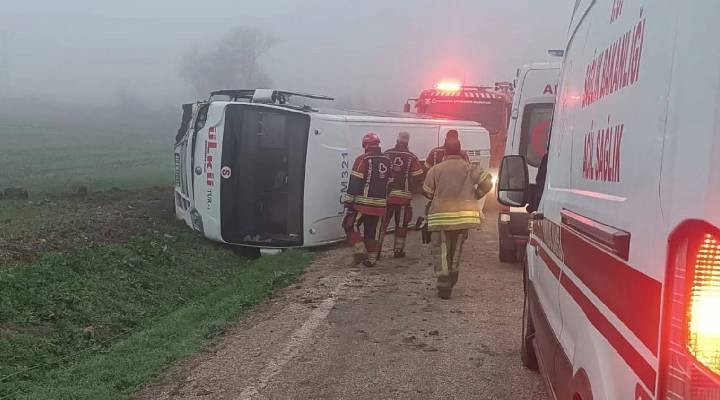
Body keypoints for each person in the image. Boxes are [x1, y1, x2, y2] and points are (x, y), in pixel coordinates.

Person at [422, 135, 493, 299]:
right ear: (460, 151)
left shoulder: (436, 170)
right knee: (456, 250)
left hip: (440, 218)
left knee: (441, 250)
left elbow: (427, 191)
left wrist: (437, 195)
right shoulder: (470, 168)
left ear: (445, 151)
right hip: (463, 218)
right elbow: (488, 182)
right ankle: (453, 277)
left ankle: (444, 283)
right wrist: (476, 195)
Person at [342, 133, 392, 267]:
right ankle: (371, 260)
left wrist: (349, 200)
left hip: (362, 204)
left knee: (349, 224)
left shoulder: (362, 159)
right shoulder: (388, 160)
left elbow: (355, 181)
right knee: (372, 232)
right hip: (380, 205)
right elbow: (391, 181)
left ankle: (359, 251)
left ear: (365, 145)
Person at [381, 132, 424, 258]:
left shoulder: (386, 154)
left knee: (381, 225)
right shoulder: (412, 157)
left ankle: (375, 251)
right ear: (408, 142)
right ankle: (398, 251)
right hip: (403, 198)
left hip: (386, 197)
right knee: (401, 225)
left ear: (397, 140)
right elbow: (418, 176)